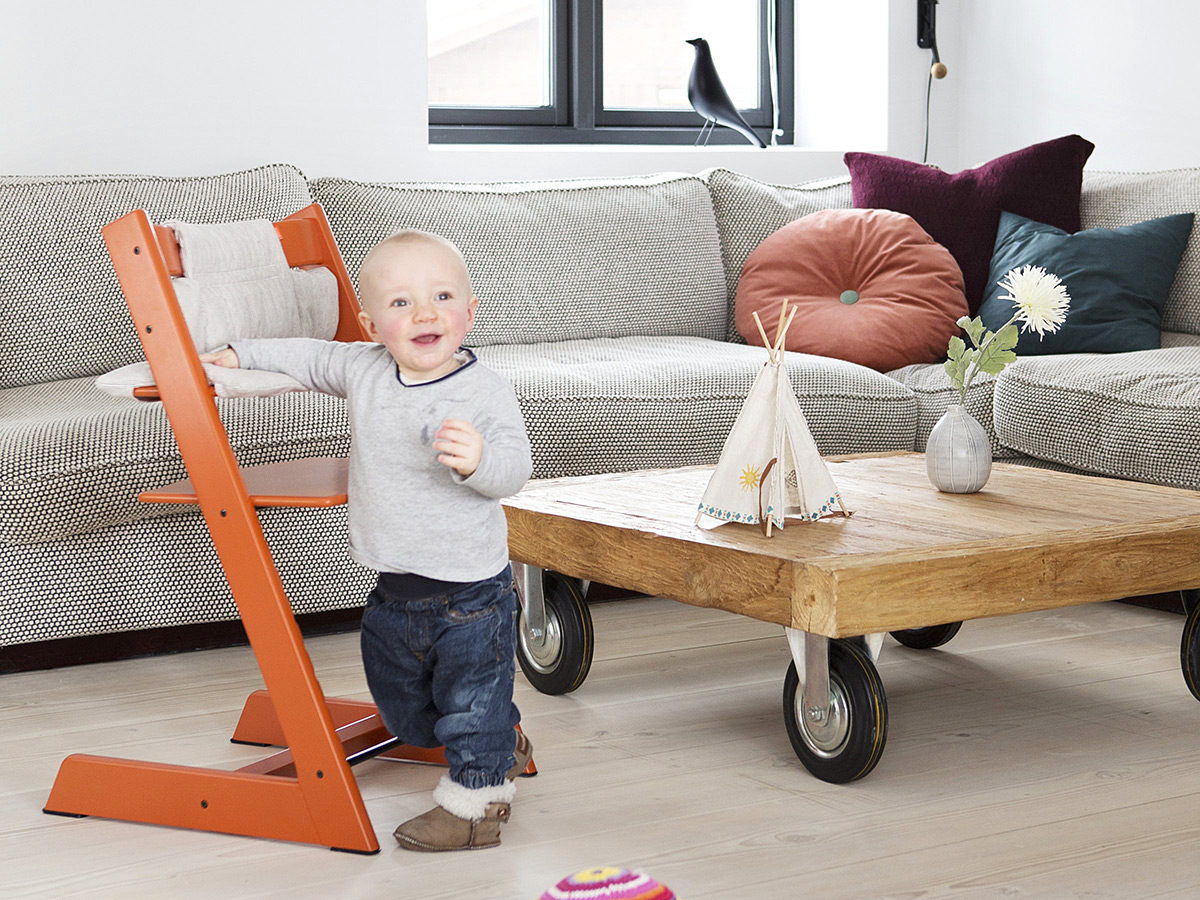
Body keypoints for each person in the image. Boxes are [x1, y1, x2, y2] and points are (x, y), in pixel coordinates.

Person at [201, 230, 534, 852]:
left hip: (473, 597)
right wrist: (239, 353)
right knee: (408, 714)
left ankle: (476, 805)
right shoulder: (364, 369)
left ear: (470, 309)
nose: (425, 313)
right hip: (393, 594)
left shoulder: (482, 392)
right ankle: (499, 735)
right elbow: (306, 356)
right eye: (401, 303)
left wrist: (479, 460)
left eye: (440, 296)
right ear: (371, 322)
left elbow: (514, 470)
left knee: (467, 703)